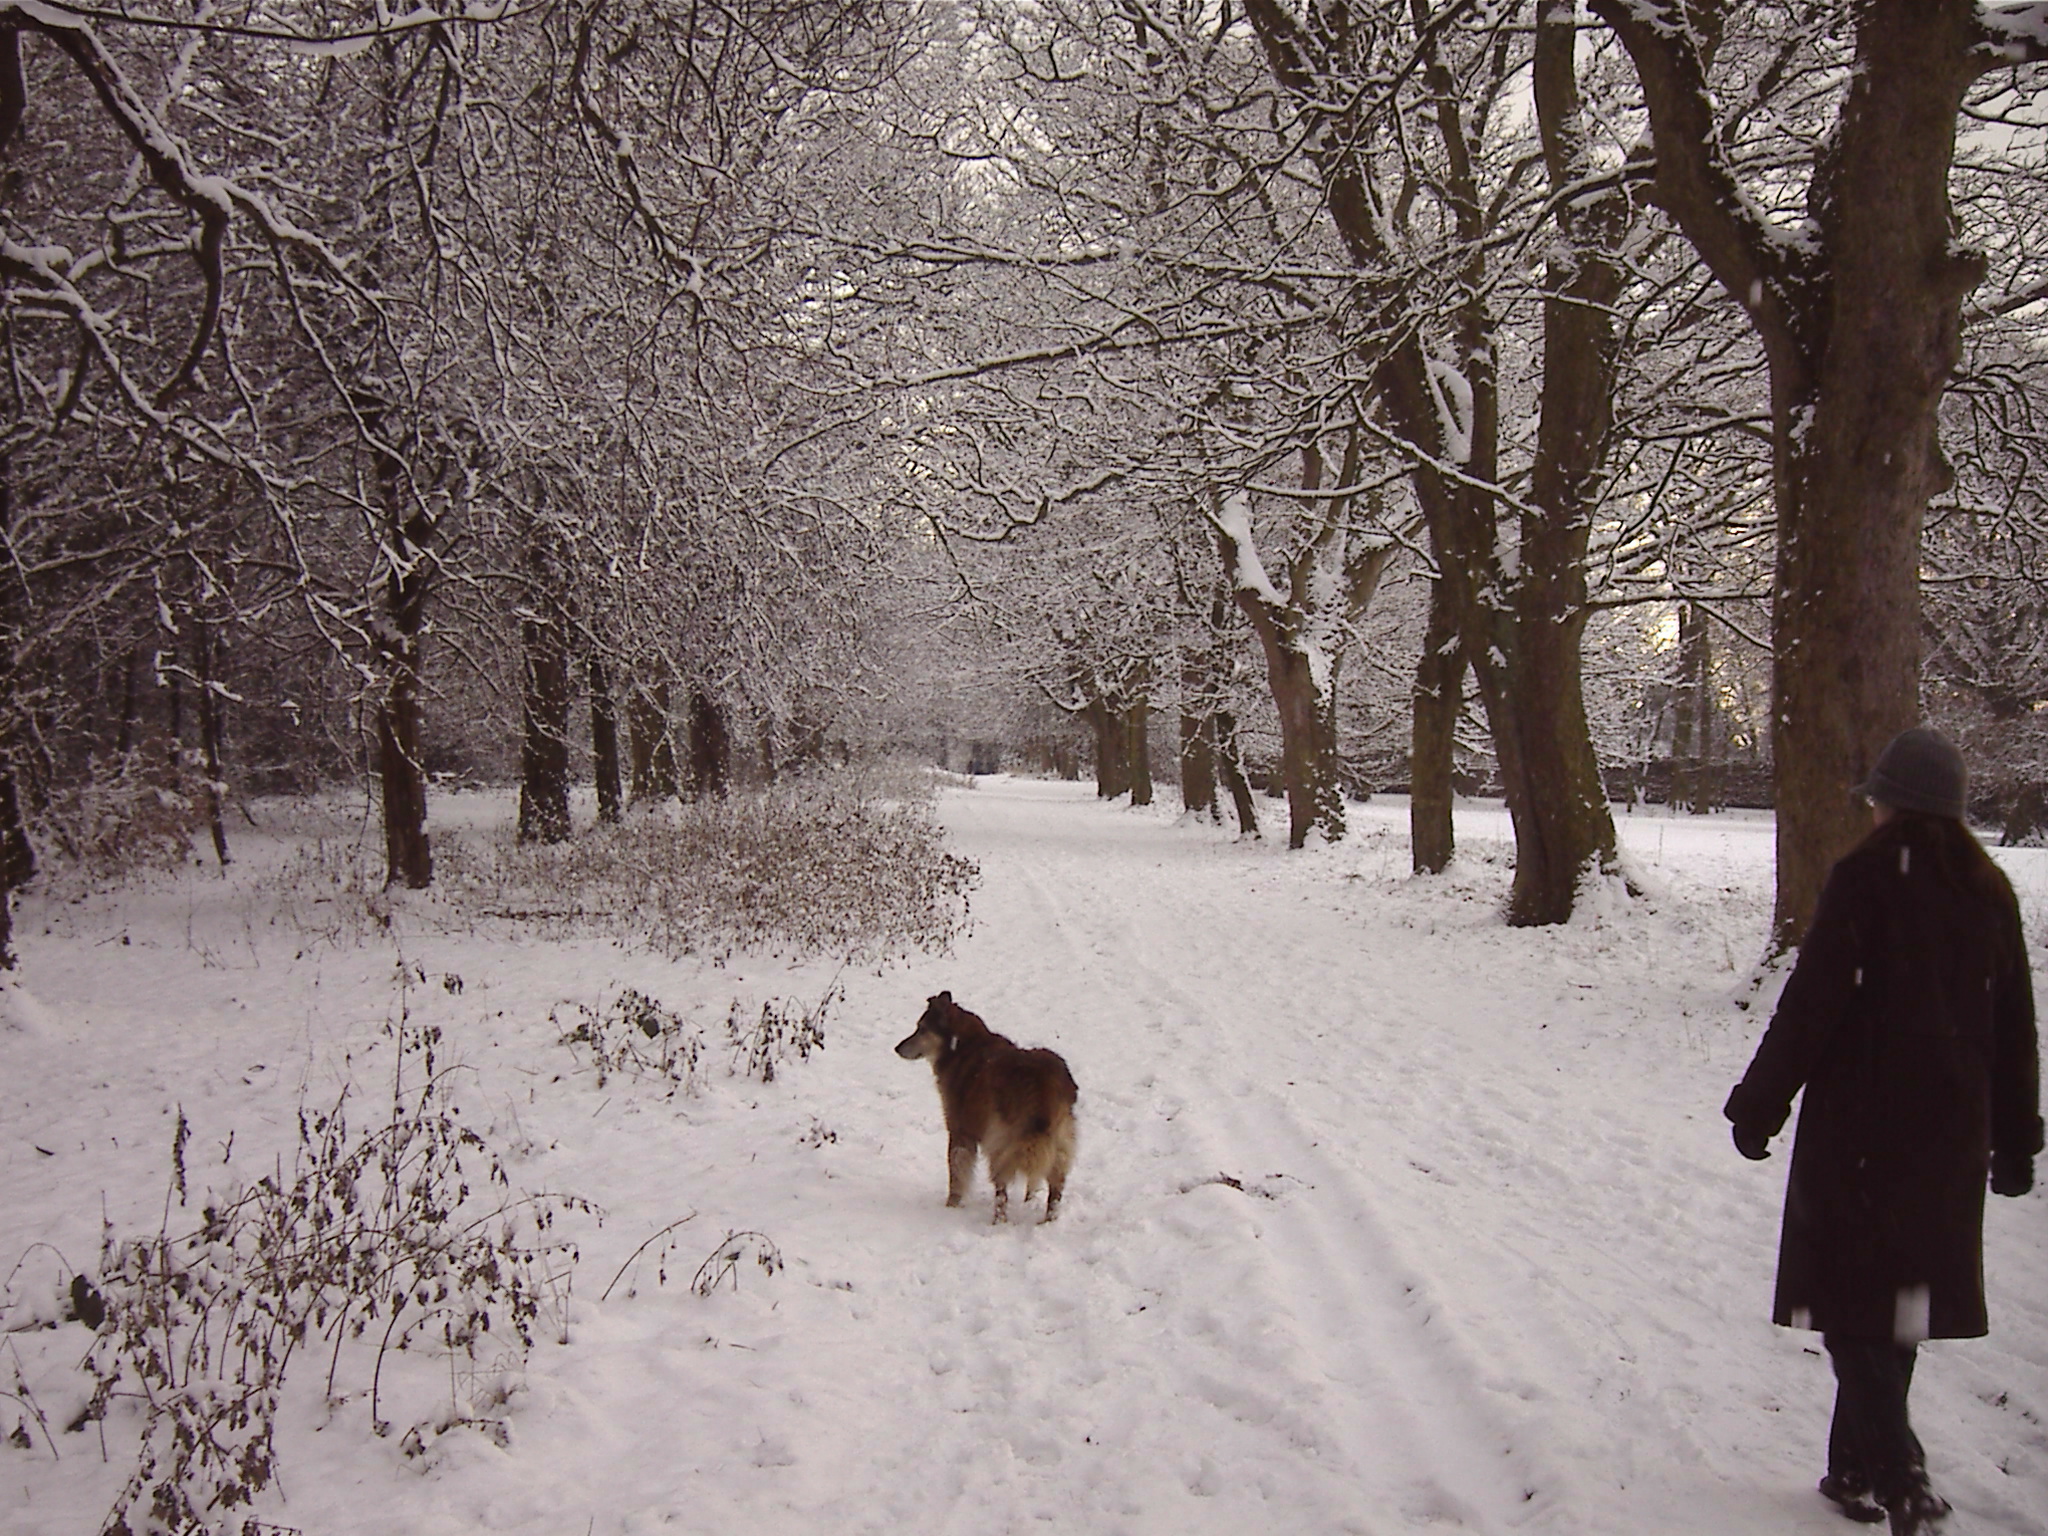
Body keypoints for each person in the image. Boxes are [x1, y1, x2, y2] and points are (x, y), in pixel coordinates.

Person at [1724, 727, 2041, 1536]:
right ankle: (1854, 1470)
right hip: (1947, 1142)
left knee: (1852, 1309)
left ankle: (1901, 1479)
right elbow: (2016, 1031)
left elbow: (1813, 1005)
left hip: (1860, 1134)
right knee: (1893, 1309)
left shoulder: (1867, 881)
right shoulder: (1988, 890)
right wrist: (2014, 1139)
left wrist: (1760, 1104)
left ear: (1895, 804)